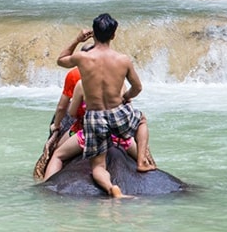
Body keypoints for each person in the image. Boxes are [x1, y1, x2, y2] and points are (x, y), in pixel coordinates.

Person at [56, 14, 156, 198]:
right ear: (114, 35)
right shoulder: (123, 60)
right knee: (141, 120)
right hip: (118, 112)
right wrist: (126, 97)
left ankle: (111, 188)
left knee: (98, 166)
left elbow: (61, 59)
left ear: (93, 35)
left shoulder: (83, 58)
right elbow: (138, 87)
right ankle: (142, 161)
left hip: (94, 116)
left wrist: (77, 40)